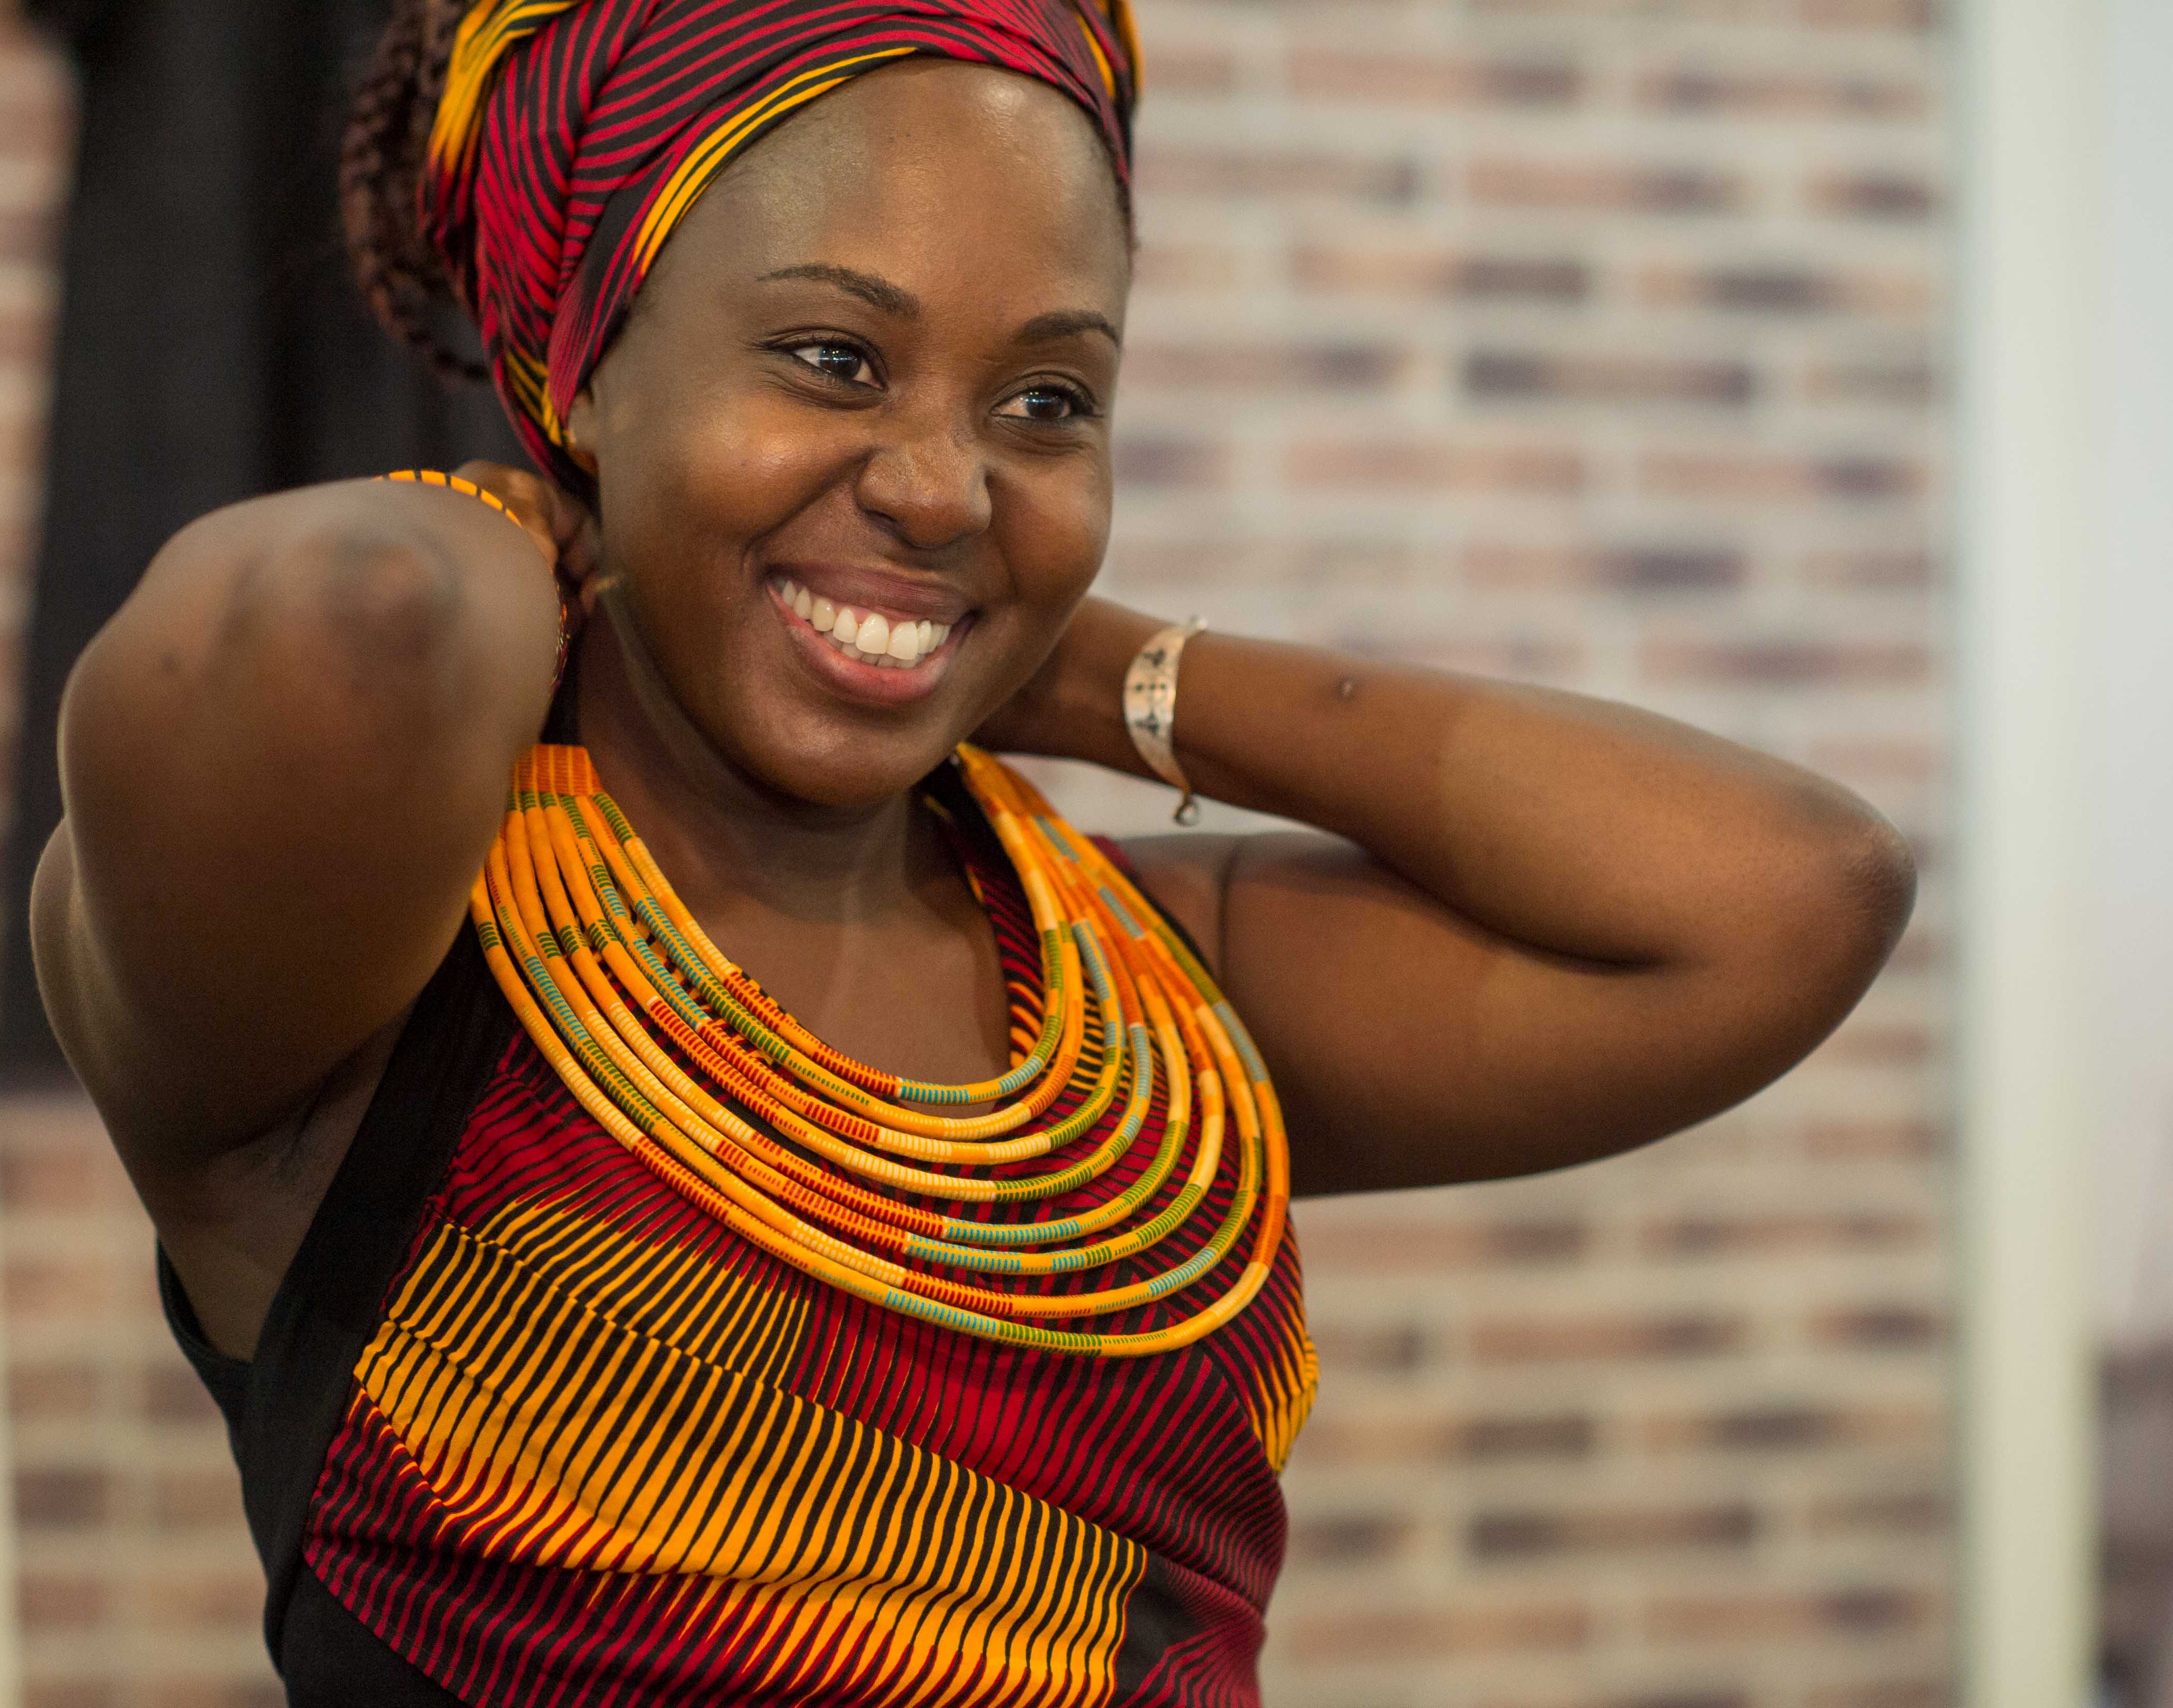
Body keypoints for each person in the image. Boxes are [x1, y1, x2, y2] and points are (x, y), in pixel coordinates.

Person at [26, 0, 1917, 1701]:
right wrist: (536, 506)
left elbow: (1785, 893)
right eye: (832, 357)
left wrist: (1086, 668)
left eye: (1046, 403)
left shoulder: (1143, 997)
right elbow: (348, 621)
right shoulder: (388, 973)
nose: (944, 487)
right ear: (585, 361)